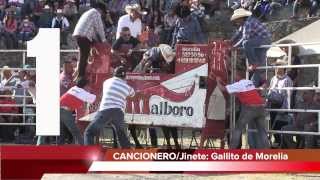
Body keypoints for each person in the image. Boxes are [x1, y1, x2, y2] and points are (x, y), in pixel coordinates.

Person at [216, 67, 270, 149]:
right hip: (260, 107)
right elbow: (243, 93)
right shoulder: (249, 82)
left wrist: (217, 81)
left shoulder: (238, 84)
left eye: (234, 75)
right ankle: (268, 151)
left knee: (238, 129)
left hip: (250, 108)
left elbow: (222, 89)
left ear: (237, 76)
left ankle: (232, 151)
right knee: (262, 131)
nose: (233, 77)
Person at [84, 66, 134, 147]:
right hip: (119, 112)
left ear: (114, 74)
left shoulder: (106, 82)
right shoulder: (128, 88)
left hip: (106, 110)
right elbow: (133, 95)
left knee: (89, 132)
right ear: (125, 76)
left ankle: (89, 155)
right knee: (121, 136)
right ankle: (127, 155)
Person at [38, 78, 96, 145]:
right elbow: (94, 99)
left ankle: (40, 145)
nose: (89, 87)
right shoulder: (83, 93)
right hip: (64, 111)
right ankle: (83, 147)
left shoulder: (73, 88)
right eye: (89, 86)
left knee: (59, 131)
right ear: (85, 86)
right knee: (75, 131)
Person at [230, 8, 272, 87]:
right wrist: (230, 41)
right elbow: (238, 33)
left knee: (246, 43)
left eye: (236, 19)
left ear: (241, 18)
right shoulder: (244, 23)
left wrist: (235, 46)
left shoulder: (248, 23)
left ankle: (254, 64)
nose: (236, 21)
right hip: (259, 42)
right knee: (259, 66)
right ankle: (255, 84)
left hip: (264, 40)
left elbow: (245, 38)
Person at [72, 1, 107, 79]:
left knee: (82, 56)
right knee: (84, 57)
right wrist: (104, 41)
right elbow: (99, 28)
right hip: (84, 36)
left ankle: (78, 74)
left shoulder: (88, 13)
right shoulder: (96, 13)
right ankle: (80, 77)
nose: (102, 15)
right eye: (102, 13)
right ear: (100, 10)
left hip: (81, 34)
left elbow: (93, 31)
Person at [267, 59, 293, 147]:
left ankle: (283, 145)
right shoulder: (273, 79)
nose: (276, 68)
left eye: (279, 66)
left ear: (283, 68)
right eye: (276, 66)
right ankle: (277, 143)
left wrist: (285, 109)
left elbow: (288, 95)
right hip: (272, 106)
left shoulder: (287, 80)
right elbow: (270, 91)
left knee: (280, 126)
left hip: (281, 107)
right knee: (273, 126)